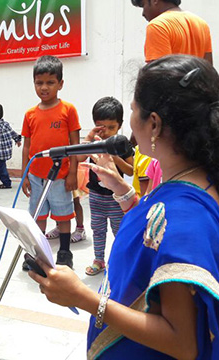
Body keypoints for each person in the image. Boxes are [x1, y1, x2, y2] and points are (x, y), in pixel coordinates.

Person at [29, 55, 219, 359]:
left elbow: (182, 343)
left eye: (132, 110)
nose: (130, 121)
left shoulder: (186, 216)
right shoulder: (194, 179)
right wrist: (125, 193)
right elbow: (158, 231)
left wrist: (85, 298)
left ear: (153, 123)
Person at [22, 55, 81, 269]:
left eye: (50, 82)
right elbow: (27, 147)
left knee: (64, 214)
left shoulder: (68, 110)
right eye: (39, 82)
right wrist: (25, 175)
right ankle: (40, 254)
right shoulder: (30, 114)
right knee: (38, 216)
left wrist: (73, 173)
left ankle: (64, 253)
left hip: (60, 176)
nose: (44, 87)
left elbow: (75, 145)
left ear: (60, 84)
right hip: (36, 176)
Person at [79, 97, 133, 276]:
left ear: (120, 125)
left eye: (112, 127)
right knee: (98, 229)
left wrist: (114, 156)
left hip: (117, 198)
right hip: (96, 195)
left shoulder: (121, 143)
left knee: (119, 230)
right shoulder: (93, 141)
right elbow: (78, 158)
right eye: (103, 127)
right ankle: (99, 260)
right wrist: (88, 138)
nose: (107, 132)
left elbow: (131, 170)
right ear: (95, 125)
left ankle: (121, 261)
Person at [132, 0, 213, 64]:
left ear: (155, 0)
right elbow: (208, 70)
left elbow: (158, 75)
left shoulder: (158, 25)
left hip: (172, 85)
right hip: (198, 84)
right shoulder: (201, 24)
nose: (143, 13)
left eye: (143, 5)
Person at [0, 103, 21, 189]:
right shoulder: (5, 124)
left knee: (0, 169)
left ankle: (7, 183)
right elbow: (12, 132)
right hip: (6, 151)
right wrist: (17, 140)